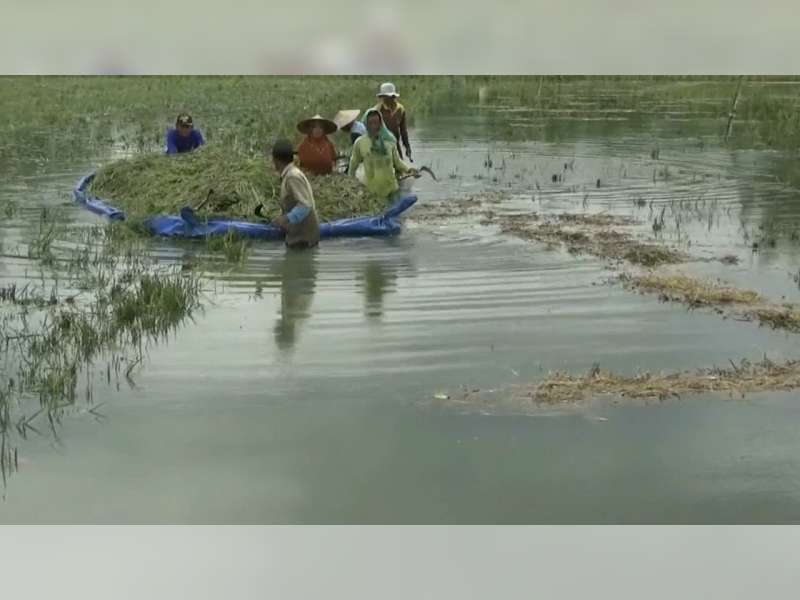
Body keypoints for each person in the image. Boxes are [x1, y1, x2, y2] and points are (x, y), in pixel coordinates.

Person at [348, 109, 418, 201]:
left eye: (376, 123)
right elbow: (353, 165)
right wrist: (351, 184)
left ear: (381, 124)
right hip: (371, 191)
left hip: (391, 189)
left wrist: (409, 169)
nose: (374, 126)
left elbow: (397, 162)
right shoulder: (360, 143)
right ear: (365, 124)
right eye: (370, 123)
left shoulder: (389, 141)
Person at [268, 139, 320, 250]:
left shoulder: (293, 177)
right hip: (299, 236)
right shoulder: (290, 175)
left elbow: (305, 206)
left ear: (276, 160)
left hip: (303, 239)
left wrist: (285, 219)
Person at [370, 82, 412, 161]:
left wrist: (407, 147)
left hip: (395, 145)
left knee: (399, 168)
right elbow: (371, 132)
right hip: (381, 146)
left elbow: (403, 131)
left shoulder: (400, 109)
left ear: (394, 96)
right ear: (382, 97)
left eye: (391, 96)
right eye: (386, 97)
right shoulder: (377, 110)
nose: (389, 99)